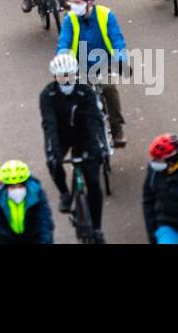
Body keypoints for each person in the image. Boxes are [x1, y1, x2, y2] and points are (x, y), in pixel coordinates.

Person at [40, 51, 106, 240]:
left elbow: (94, 119)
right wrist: (53, 151)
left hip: (84, 136)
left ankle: (97, 227)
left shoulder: (85, 92)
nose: (67, 80)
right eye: (62, 76)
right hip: (61, 136)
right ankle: (64, 193)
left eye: (70, 75)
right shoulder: (48, 95)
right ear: (55, 77)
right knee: (53, 162)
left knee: (93, 183)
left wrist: (100, 144)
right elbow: (49, 124)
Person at [56, 0, 127, 147]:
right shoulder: (70, 19)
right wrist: (62, 61)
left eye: (77, 2)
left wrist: (121, 60)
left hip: (103, 65)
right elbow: (64, 43)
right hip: (79, 67)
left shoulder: (106, 15)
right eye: (72, 2)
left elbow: (117, 40)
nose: (73, 6)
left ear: (90, 3)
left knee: (109, 88)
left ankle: (117, 128)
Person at [0, 159, 53, 244]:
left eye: (20, 186)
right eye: (12, 187)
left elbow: (44, 224)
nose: (17, 190)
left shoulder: (38, 194)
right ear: (4, 187)